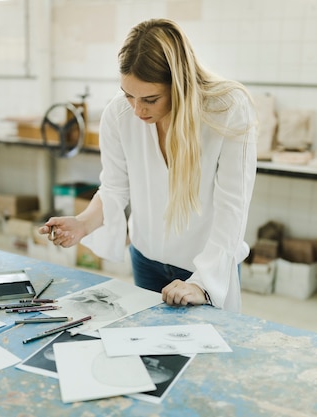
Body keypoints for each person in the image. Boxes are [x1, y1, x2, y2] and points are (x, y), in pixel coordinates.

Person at [39, 18, 257, 312]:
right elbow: (114, 188)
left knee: (203, 355)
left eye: (150, 99)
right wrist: (82, 223)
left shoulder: (227, 109)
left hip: (208, 269)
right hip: (146, 260)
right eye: (129, 95)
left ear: (180, 86)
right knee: (147, 350)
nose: (137, 109)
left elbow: (233, 207)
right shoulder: (119, 113)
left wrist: (202, 282)